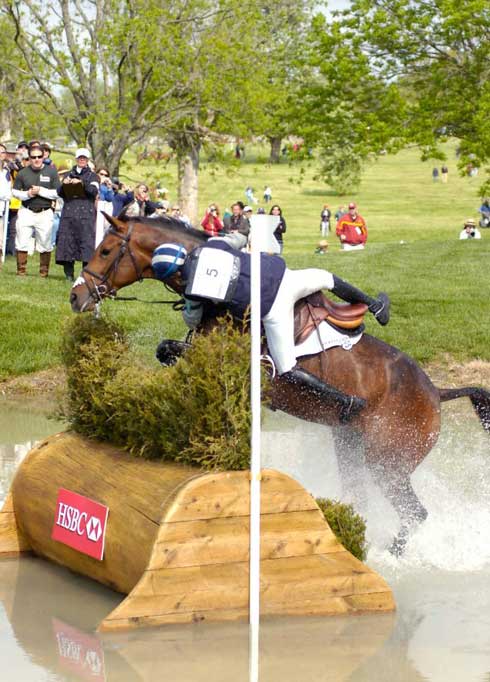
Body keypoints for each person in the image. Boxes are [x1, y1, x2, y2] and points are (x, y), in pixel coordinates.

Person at [151, 232, 390, 423]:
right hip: (287, 278)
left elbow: (192, 321)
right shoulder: (213, 244)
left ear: (171, 276)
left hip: (275, 307)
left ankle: (345, 402)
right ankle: (375, 306)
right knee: (326, 277)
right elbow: (240, 237)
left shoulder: (191, 289)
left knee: (286, 369)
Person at [12, 143, 60, 277]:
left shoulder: (51, 172)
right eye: (33, 157)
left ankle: (43, 273)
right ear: (29, 158)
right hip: (26, 210)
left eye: (39, 156)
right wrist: (28, 194)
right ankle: (21, 271)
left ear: (44, 156)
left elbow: (58, 192)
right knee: (21, 241)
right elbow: (15, 192)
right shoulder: (23, 173)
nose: (37, 159)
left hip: (45, 211)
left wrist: (41, 191)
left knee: (45, 243)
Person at [55, 147, 99, 281]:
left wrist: (82, 183)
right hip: (69, 213)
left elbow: (93, 191)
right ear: (76, 159)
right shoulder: (68, 174)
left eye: (84, 158)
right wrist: (65, 184)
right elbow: (59, 192)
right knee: (67, 243)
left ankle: (85, 275)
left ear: (87, 160)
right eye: (80, 158)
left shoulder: (93, 176)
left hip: (86, 214)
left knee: (86, 244)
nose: (82, 160)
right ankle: (69, 274)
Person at [95, 167, 114, 246]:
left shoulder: (105, 186)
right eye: (101, 174)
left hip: (101, 210)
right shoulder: (94, 183)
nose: (103, 176)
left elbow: (110, 199)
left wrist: (109, 187)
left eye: (106, 175)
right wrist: (99, 183)